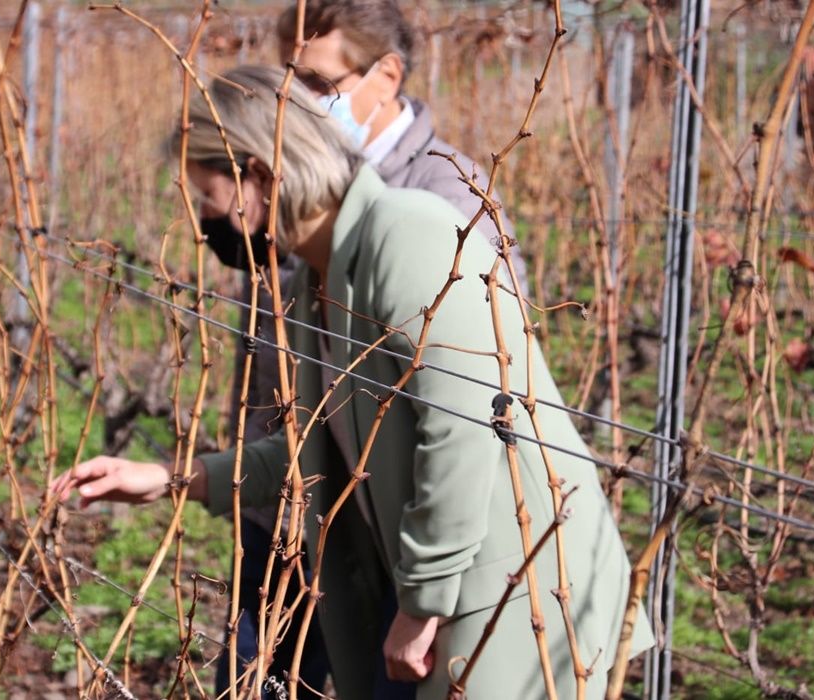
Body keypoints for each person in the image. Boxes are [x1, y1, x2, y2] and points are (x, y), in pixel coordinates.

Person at [53, 65, 652, 699]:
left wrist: (420, 603)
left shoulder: (407, 234)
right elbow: (323, 454)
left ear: (257, 176)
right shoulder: (314, 285)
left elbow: (466, 428)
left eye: (206, 196)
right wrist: (175, 479)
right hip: (445, 591)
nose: (203, 219)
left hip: (517, 595)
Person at [220, 5, 530, 693]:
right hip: (289, 511)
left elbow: (479, 407)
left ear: (385, 76)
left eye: (315, 82)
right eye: (284, 85)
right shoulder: (290, 181)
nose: (294, 104)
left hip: (399, 547)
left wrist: (425, 594)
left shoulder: (448, 198)